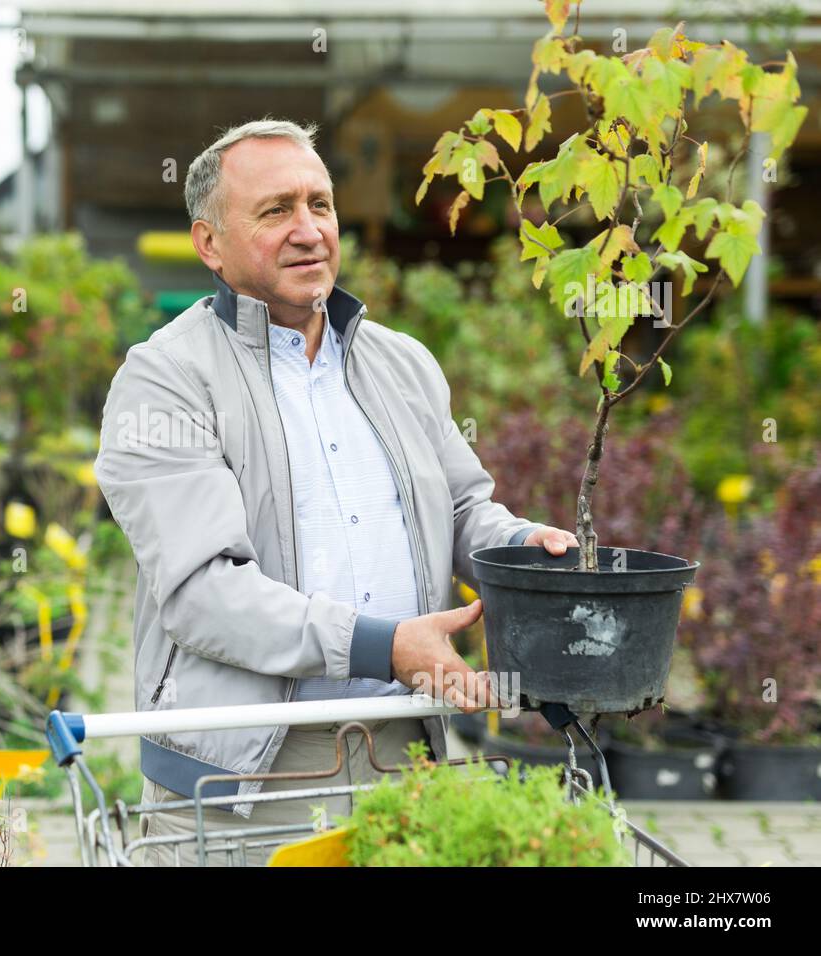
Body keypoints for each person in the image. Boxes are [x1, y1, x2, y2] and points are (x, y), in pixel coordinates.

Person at [93, 118, 578, 866]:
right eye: (275, 210)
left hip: (403, 757)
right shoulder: (166, 379)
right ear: (209, 244)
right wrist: (388, 648)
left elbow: (457, 512)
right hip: (247, 780)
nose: (308, 229)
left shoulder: (402, 363)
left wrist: (522, 549)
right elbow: (201, 591)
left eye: (320, 205)